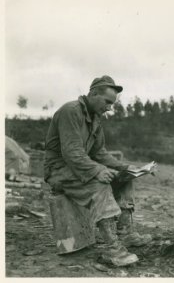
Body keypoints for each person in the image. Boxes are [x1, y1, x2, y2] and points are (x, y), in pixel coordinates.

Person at [44, 75, 153, 266]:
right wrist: (97, 171)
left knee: (124, 178)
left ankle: (125, 233)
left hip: (79, 167)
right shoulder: (71, 111)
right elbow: (71, 152)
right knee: (99, 183)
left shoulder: (95, 118)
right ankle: (113, 249)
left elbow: (100, 153)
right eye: (107, 102)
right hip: (59, 170)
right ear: (93, 94)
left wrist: (126, 168)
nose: (110, 108)